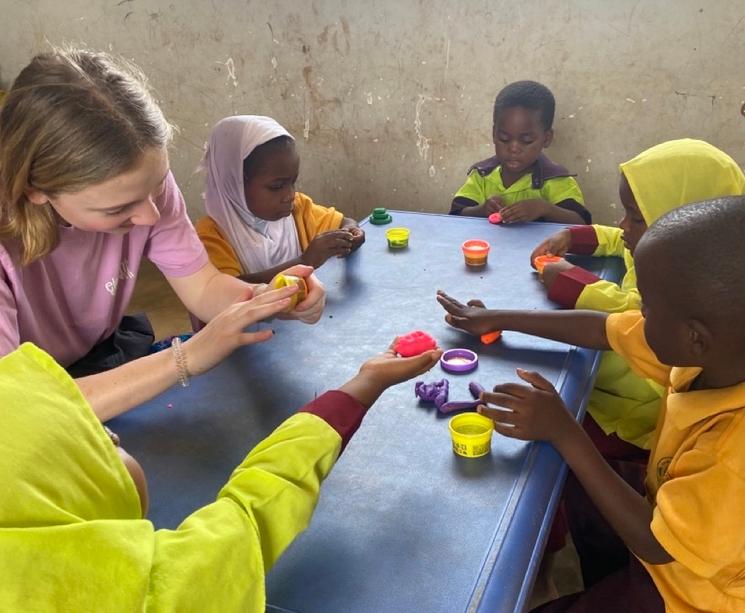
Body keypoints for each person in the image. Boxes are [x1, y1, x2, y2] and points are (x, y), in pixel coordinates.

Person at [436, 197, 745, 611]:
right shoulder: (715, 354)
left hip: (684, 595)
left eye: (647, 307)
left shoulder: (732, 457)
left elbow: (656, 543)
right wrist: (498, 317)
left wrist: (566, 431)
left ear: (695, 337)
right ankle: (608, 573)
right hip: (671, 525)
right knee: (582, 488)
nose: (638, 311)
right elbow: (605, 329)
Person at [0, 49, 325, 421]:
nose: (151, 215)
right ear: (36, 190)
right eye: (117, 209)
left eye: (157, 189)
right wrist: (185, 358)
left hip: (88, 362)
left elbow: (202, 288)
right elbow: (18, 405)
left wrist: (269, 299)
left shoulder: (139, 181)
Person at [0, 339, 442, 611]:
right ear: (70, 491)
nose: (115, 437)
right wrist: (363, 386)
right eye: (105, 443)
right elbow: (254, 508)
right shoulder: (148, 595)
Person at [531, 139, 745, 455]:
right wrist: (574, 236)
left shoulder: (689, 295)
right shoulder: (664, 248)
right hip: (617, 385)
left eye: (635, 216)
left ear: (679, 216)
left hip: (634, 417)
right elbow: (619, 239)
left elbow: (632, 314)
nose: (623, 225)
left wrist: (568, 279)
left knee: (547, 432)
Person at [195, 115, 365, 284]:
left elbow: (344, 222)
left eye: (293, 182)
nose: (290, 195)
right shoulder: (211, 235)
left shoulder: (298, 208)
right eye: (276, 187)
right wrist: (305, 262)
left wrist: (351, 233)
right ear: (234, 183)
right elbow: (226, 291)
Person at [448, 80, 591, 225]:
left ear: (546, 139)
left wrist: (545, 209)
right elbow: (455, 216)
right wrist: (482, 210)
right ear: (494, 134)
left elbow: (582, 225)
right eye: (504, 139)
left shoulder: (554, 180)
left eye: (527, 140)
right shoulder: (482, 175)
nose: (514, 148)